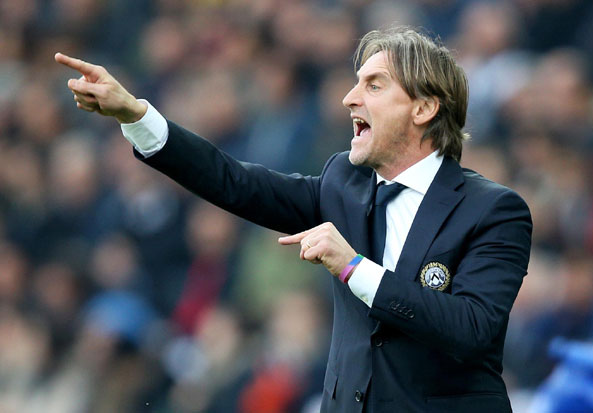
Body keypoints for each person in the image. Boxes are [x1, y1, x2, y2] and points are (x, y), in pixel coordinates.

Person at [55, 26, 532, 412]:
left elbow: (472, 329)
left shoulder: (494, 210)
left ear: (424, 108)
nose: (349, 98)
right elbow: (234, 182)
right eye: (356, 82)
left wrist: (354, 268)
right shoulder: (343, 183)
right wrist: (136, 115)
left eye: (374, 85)